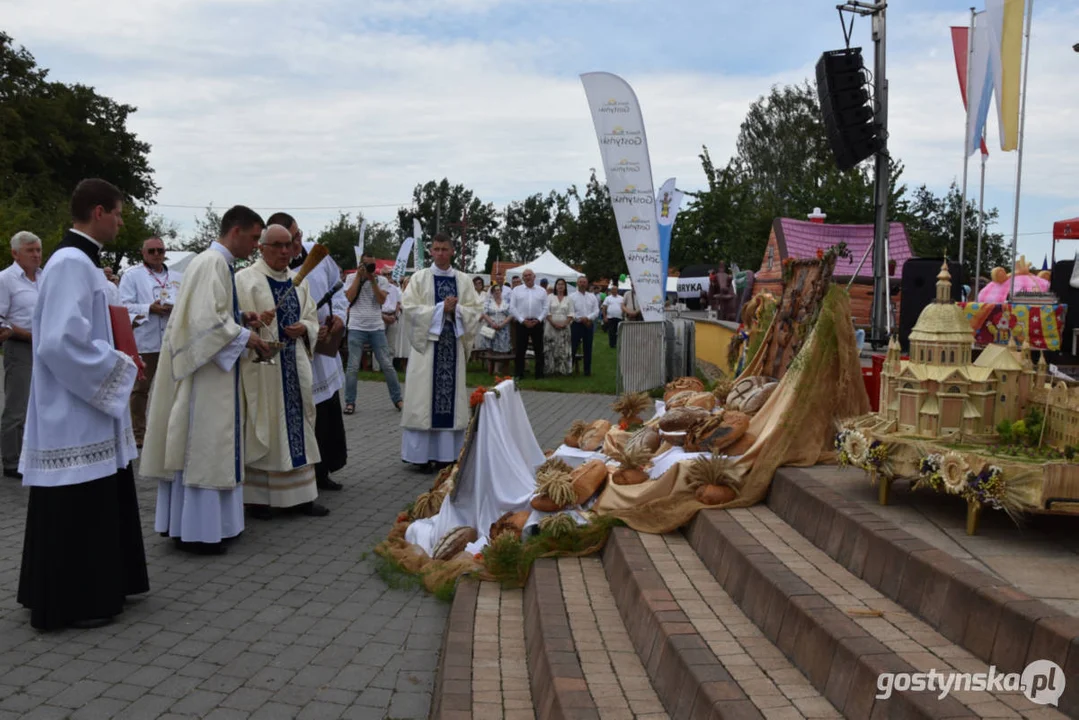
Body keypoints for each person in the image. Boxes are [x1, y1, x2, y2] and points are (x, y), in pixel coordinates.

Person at [17, 178, 149, 629]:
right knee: (75, 502)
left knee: (96, 495)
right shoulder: (71, 262)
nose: (121, 220)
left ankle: (100, 587)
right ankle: (75, 601)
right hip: (73, 409)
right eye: (118, 212)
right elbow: (58, 342)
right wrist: (120, 368)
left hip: (86, 406)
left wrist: (118, 356)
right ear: (97, 212)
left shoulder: (80, 263)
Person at [142, 205, 271, 555]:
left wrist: (240, 316)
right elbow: (205, 324)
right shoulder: (214, 263)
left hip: (211, 370)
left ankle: (205, 526)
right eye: (255, 237)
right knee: (208, 447)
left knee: (210, 445)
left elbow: (210, 313)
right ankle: (201, 531)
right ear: (236, 231)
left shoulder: (212, 262)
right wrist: (249, 337)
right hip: (207, 377)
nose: (256, 245)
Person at [236, 224, 328, 518]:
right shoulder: (245, 280)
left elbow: (311, 318)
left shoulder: (299, 281)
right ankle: (260, 498)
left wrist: (305, 328)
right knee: (266, 425)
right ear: (261, 247)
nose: (285, 251)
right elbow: (231, 323)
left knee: (298, 425)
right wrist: (251, 322)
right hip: (263, 368)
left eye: (288, 245)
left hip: (295, 364)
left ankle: (301, 496)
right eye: (277, 245)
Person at [399, 234, 483, 470]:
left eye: (445, 249)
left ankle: (447, 454)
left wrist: (457, 311)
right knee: (423, 399)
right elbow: (409, 308)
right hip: (427, 348)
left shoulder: (463, 280)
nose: (440, 253)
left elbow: (475, 310)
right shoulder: (419, 278)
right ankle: (419, 457)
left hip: (451, 345)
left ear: (452, 251)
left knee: (449, 401)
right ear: (431, 252)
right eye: (436, 249)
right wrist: (439, 309)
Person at [281, 213, 349, 493]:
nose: (297, 243)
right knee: (308, 412)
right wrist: (309, 329)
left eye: (298, 236)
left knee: (327, 411)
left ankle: (325, 470)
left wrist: (340, 318)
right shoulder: (278, 267)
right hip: (299, 348)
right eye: (290, 239)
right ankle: (305, 474)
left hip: (325, 345)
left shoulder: (318, 256)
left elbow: (340, 292)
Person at [118, 236, 183, 448]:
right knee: (140, 389)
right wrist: (149, 308)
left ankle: (171, 430)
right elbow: (123, 306)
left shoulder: (177, 276)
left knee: (174, 387)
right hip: (146, 341)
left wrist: (175, 307)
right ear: (143, 253)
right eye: (152, 251)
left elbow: (185, 302)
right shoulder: (132, 276)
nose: (157, 254)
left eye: (160, 250)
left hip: (172, 339)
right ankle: (139, 432)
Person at [0, 231, 42, 479]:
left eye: (38, 250)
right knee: (18, 406)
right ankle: (11, 460)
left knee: (39, 403)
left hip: (45, 347)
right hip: (21, 347)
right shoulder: (5, 279)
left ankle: (33, 453)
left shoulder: (44, 277)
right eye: (30, 250)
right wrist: (26, 334)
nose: (36, 255)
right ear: (15, 253)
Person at [343, 252, 403, 414]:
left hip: (376, 327)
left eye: (372, 265)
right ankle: (350, 402)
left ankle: (398, 399)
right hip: (356, 326)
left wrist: (372, 281)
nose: (370, 268)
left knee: (387, 365)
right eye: (367, 264)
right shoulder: (350, 278)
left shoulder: (381, 280)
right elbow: (349, 298)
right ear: (360, 265)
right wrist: (358, 277)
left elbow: (382, 301)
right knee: (353, 367)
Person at [510, 269, 548, 380]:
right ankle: (519, 374)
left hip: (537, 323)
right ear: (523, 278)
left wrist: (539, 319)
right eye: (525, 276)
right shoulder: (516, 290)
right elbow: (512, 307)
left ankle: (539, 374)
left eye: (529, 275)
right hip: (522, 323)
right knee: (520, 350)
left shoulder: (542, 291)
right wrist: (522, 320)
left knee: (539, 349)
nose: (527, 277)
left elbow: (546, 308)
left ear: (534, 276)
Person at [570, 275, 600, 377]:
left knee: (588, 348)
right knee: (573, 347)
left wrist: (588, 318)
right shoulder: (572, 296)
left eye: (584, 282)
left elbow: (596, 311)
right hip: (576, 324)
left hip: (589, 324)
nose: (582, 284)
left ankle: (587, 371)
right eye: (580, 282)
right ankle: (570, 369)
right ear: (577, 283)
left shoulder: (592, 297)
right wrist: (581, 318)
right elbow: (571, 311)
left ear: (587, 284)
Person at [544, 278, 574, 375]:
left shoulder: (569, 299)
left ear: (565, 287)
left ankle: (563, 370)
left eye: (562, 284)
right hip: (551, 326)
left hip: (564, 327)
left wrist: (564, 323)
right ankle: (550, 369)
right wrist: (554, 323)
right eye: (558, 284)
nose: (560, 286)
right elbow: (546, 312)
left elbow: (571, 313)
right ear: (555, 286)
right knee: (550, 348)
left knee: (563, 348)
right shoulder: (549, 297)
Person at [477, 284, 512, 356]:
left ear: (501, 291)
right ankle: (490, 367)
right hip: (490, 328)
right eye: (495, 290)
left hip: (503, 328)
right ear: (492, 292)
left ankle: (497, 367)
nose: (497, 292)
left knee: (502, 351)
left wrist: (502, 324)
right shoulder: (488, 302)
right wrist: (492, 323)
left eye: (498, 290)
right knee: (490, 350)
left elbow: (511, 314)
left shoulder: (506, 302)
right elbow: (484, 313)